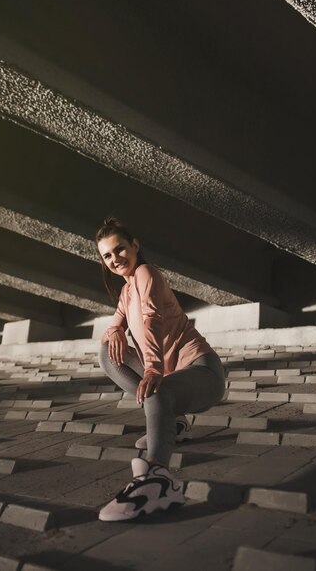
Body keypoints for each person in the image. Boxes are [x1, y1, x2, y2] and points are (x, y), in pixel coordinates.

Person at [95, 217, 226, 521]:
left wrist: (153, 369)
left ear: (135, 246)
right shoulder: (126, 293)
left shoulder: (146, 273)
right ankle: (174, 421)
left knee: (157, 389)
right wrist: (115, 330)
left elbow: (152, 318)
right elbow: (113, 325)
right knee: (108, 354)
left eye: (120, 250)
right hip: (169, 377)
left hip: (202, 371)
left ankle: (158, 480)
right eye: (107, 256)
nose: (115, 259)